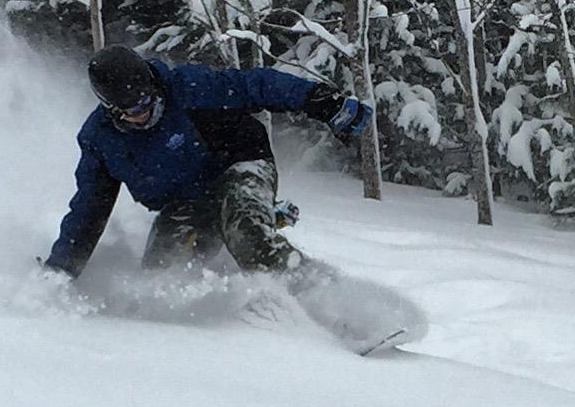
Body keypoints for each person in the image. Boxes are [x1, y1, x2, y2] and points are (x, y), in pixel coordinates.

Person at [44, 45, 372, 290]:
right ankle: (256, 220)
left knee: (247, 234)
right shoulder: (101, 141)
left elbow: (255, 85)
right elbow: (89, 210)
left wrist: (323, 102)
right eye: (131, 111)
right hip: (186, 202)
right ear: (110, 109)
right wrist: (59, 272)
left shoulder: (186, 88)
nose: (144, 114)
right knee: (160, 277)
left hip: (240, 165)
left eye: (147, 101)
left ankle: (330, 297)